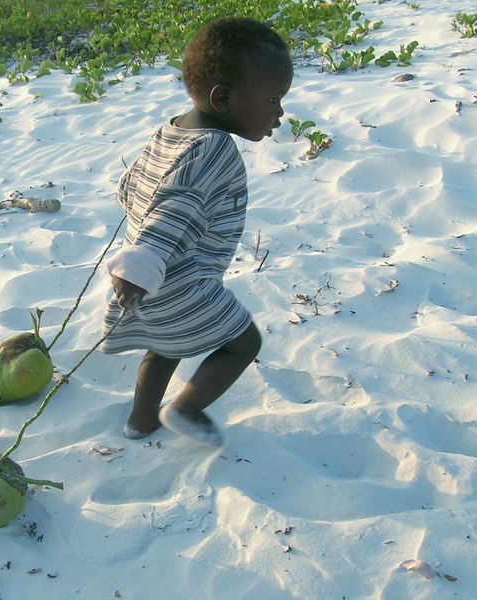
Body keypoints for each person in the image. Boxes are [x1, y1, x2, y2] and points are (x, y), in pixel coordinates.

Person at [101, 16, 294, 447]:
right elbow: (177, 205)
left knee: (165, 346)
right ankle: (186, 407)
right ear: (223, 98)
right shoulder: (214, 148)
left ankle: (140, 420)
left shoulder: (169, 131)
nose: (279, 114)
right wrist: (144, 260)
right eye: (273, 100)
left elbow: (130, 186)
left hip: (149, 279)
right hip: (176, 279)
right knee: (242, 344)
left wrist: (140, 256)